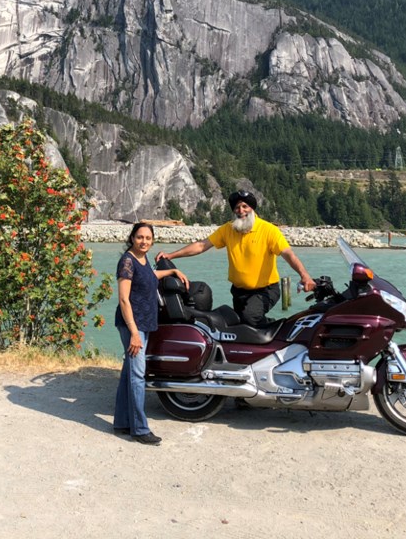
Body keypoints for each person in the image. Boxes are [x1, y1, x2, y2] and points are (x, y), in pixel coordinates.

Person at [156, 190, 316, 327]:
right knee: (241, 326)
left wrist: (305, 275)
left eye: (245, 206)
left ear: (252, 208)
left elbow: (288, 254)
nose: (241, 210)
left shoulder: (268, 230)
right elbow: (201, 245)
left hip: (265, 290)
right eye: (237, 207)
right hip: (239, 292)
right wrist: (171, 255)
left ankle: (277, 330)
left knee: (250, 318)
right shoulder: (228, 230)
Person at [113, 222, 188, 445]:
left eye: (147, 238)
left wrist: (173, 270)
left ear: (152, 240)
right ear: (132, 238)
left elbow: (150, 276)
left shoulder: (142, 259)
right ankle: (139, 429)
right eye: (139, 237)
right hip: (132, 325)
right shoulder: (127, 261)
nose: (143, 241)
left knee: (129, 373)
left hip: (143, 324)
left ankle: (122, 423)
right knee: (137, 376)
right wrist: (134, 333)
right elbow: (124, 299)